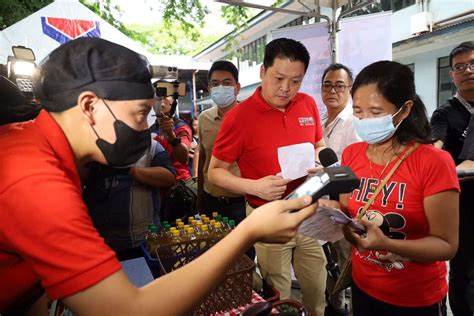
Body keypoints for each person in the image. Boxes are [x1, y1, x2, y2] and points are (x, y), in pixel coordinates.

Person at [0, 37, 319, 315]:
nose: (145, 128)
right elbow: (126, 310)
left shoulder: (31, 145)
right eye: (140, 114)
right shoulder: (35, 181)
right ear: (89, 106)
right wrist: (247, 232)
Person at [208, 38, 327, 315]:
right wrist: (255, 186)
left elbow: (319, 145)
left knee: (316, 284)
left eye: (296, 81)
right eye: (279, 78)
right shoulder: (238, 117)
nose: (286, 88)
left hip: (308, 211)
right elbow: (214, 173)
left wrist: (322, 161)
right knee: (278, 292)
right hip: (267, 214)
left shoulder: (308, 104)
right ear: (263, 72)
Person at [340, 60, 459, 316]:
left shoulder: (434, 162)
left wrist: (387, 244)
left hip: (414, 299)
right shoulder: (351, 154)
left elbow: (446, 245)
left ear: (404, 110)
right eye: (358, 111)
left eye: (375, 112)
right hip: (362, 286)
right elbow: (347, 208)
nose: (364, 121)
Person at [430, 41, 474, 316]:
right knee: (464, 271)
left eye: (472, 64)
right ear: (452, 75)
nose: (468, 70)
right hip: (462, 206)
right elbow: (435, 147)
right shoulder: (445, 113)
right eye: (460, 67)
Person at [83, 139, 176, 261]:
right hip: (102, 242)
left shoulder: (150, 147)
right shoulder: (92, 149)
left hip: (144, 240)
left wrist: (131, 170)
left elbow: (169, 178)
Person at [320, 63, 360, 315]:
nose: (332, 90)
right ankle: (334, 308)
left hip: (345, 208)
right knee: (330, 266)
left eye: (339, 85)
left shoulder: (353, 123)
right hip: (323, 207)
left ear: (350, 90)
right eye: (327, 84)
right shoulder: (321, 121)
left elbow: (356, 170)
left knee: (351, 268)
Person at [197, 60, 247, 225]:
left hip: (242, 202)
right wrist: (200, 196)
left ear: (237, 88)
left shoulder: (250, 118)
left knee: (244, 250)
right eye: (215, 84)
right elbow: (203, 157)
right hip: (211, 200)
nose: (220, 88)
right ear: (209, 88)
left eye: (227, 83)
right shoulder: (204, 118)